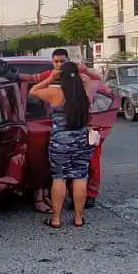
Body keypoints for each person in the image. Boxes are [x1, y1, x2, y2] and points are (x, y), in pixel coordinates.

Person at [29, 61, 101, 228]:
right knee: (80, 177)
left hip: (60, 143)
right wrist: (86, 71)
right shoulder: (86, 91)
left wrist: (50, 78)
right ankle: (78, 218)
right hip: (82, 141)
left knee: (59, 178)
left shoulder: (55, 92)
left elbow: (33, 91)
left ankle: (56, 219)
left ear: (60, 76)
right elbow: (99, 78)